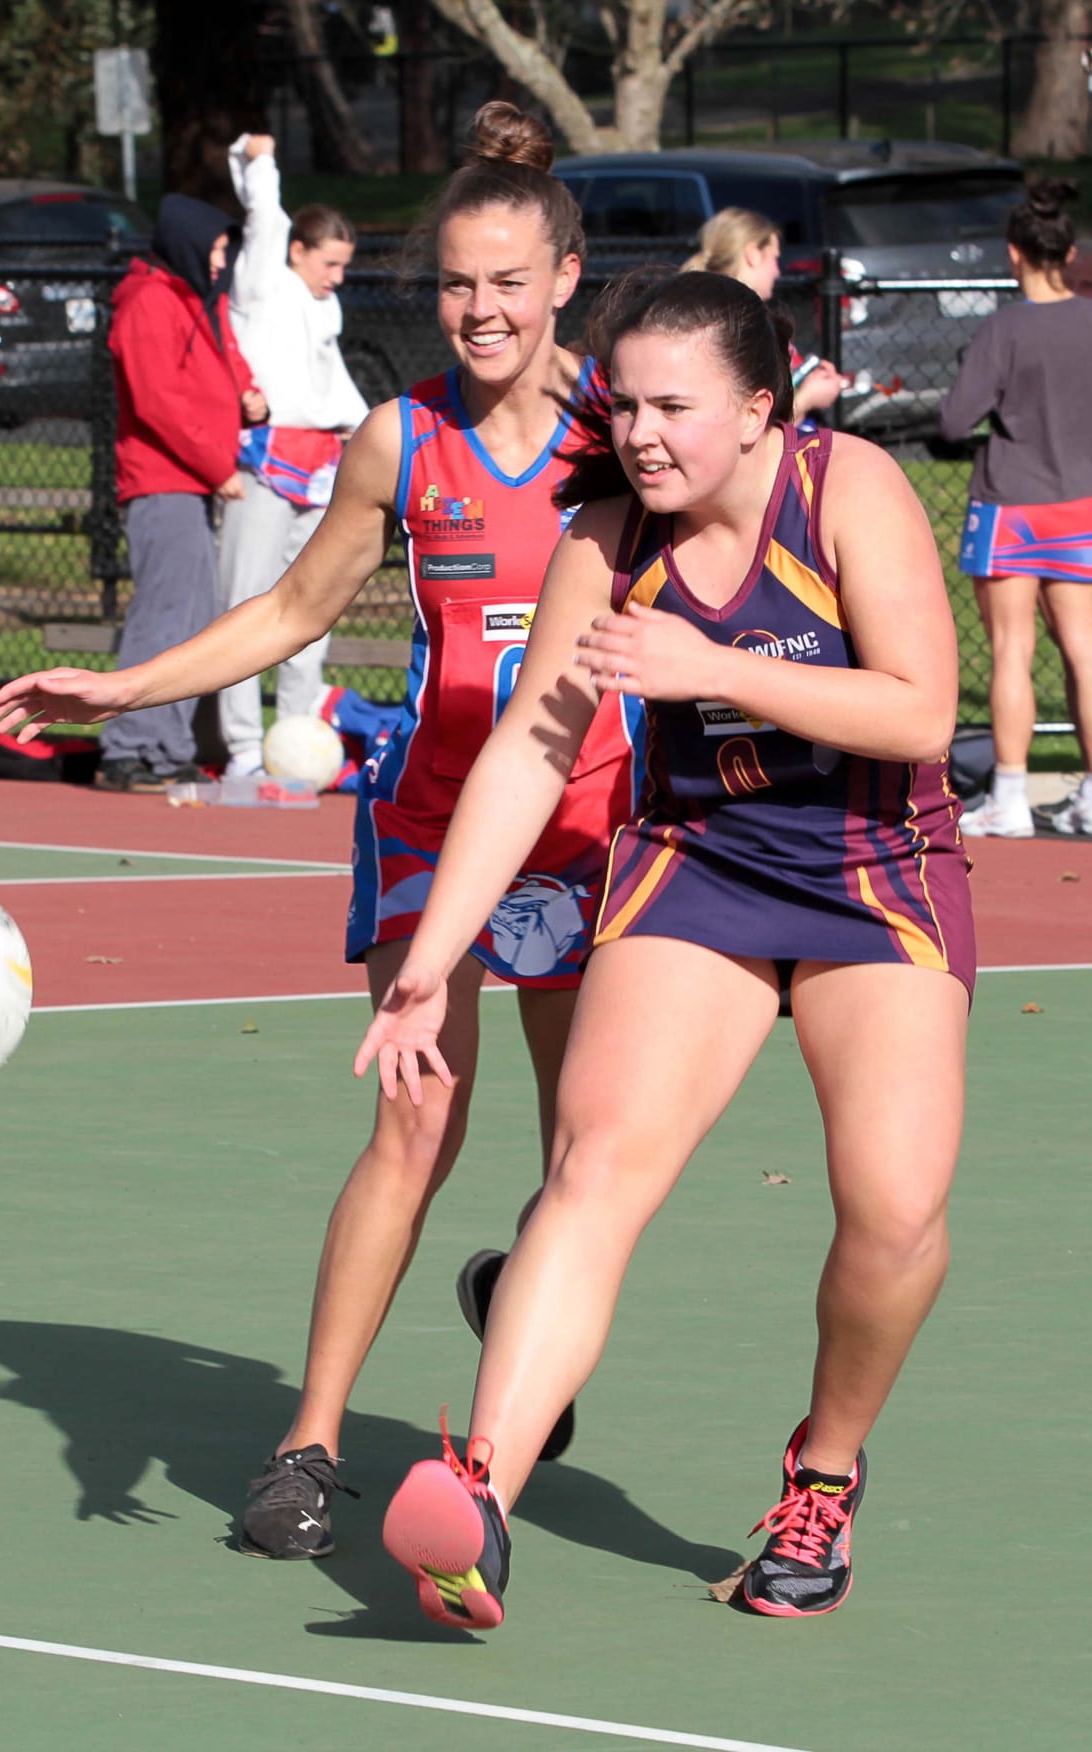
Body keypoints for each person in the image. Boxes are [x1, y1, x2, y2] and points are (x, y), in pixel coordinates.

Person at [0, 103, 638, 1560]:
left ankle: (516, 1340)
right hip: (430, 821)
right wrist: (124, 682)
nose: (482, 309)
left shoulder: (627, 441)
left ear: (565, 282)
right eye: (459, 283)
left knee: (587, 1151)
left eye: (509, 282)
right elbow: (290, 610)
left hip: (591, 822)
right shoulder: (400, 441)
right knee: (417, 1115)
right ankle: (310, 1444)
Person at [359, 269, 973, 1631]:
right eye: (623, 400)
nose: (640, 430)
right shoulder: (607, 533)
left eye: (673, 405)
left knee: (895, 1210)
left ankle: (822, 1472)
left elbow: (924, 711)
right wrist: (431, 955)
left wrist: (717, 669)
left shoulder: (850, 488)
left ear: (760, 408)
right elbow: (533, 747)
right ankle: (481, 1501)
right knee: (594, 1169)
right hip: (699, 864)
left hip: (872, 871)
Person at [99, 192, 268, 793]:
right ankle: (128, 746)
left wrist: (251, 398)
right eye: (217, 249)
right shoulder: (147, 302)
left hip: (193, 481)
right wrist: (215, 465)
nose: (222, 261)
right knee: (165, 613)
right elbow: (158, 403)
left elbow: (228, 363)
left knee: (193, 613)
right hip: (162, 480)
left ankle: (167, 745)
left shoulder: (198, 299)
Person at [939, 174, 1092, 838]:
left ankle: (1010, 797)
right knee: (1084, 651)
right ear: (1069, 251)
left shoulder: (1003, 329)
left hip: (1010, 506)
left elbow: (953, 420)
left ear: (1013, 253)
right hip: (1082, 503)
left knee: (1011, 650)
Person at [217, 132, 370, 778]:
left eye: (343, 266)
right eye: (327, 263)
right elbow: (265, 220)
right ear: (296, 253)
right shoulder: (265, 284)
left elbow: (337, 393)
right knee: (247, 603)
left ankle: (297, 742)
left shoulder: (324, 307)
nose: (336, 277)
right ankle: (245, 748)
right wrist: (261, 160)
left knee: (313, 604)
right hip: (266, 462)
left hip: (323, 463)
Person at [683, 207, 845, 428]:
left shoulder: (699, 309)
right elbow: (742, 427)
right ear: (753, 254)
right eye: (775, 258)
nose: (778, 272)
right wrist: (808, 399)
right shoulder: (734, 324)